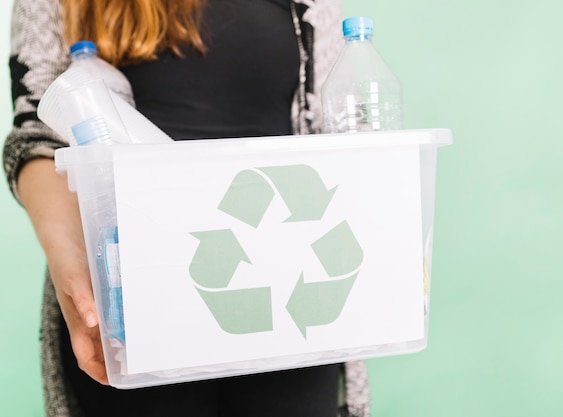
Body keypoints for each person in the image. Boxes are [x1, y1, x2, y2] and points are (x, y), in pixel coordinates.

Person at [3, 0, 371, 415]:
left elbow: (337, 131)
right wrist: (68, 253)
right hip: (135, 304)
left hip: (285, 297)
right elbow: (37, 133)